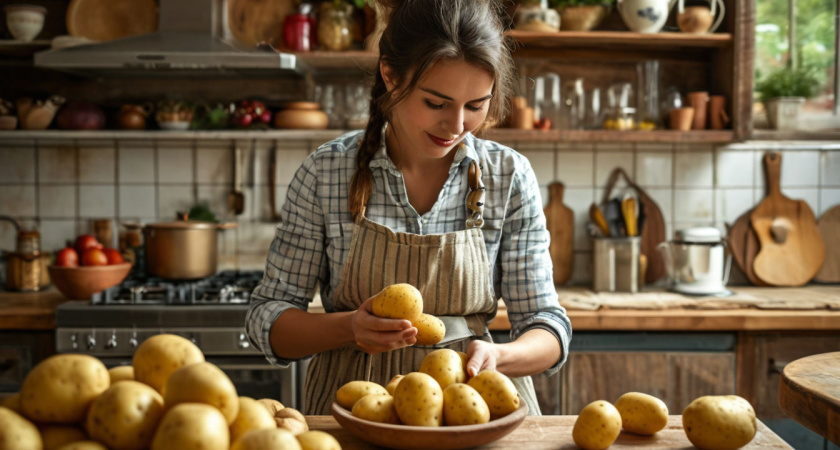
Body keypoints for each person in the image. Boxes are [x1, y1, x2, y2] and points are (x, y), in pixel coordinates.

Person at [246, 0, 571, 416]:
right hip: (355, 411)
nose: (456, 126)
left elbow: (548, 326)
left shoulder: (509, 176)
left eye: (475, 106)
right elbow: (268, 319)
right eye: (436, 103)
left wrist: (499, 356)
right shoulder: (325, 172)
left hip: (472, 408)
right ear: (390, 75)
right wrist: (349, 327)